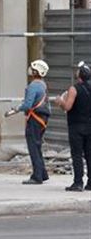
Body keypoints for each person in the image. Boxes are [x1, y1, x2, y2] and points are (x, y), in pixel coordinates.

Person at [9, 59, 51, 184]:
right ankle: (42, 173)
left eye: (32, 68)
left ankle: (37, 176)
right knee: (37, 146)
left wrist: (16, 109)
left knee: (33, 147)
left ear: (36, 71)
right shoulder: (42, 84)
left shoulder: (33, 86)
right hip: (42, 119)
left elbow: (27, 105)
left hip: (35, 119)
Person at [54, 62, 91, 192]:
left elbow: (68, 106)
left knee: (77, 155)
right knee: (89, 154)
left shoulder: (74, 89)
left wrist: (60, 102)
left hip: (76, 126)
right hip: (89, 125)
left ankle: (78, 182)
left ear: (79, 75)